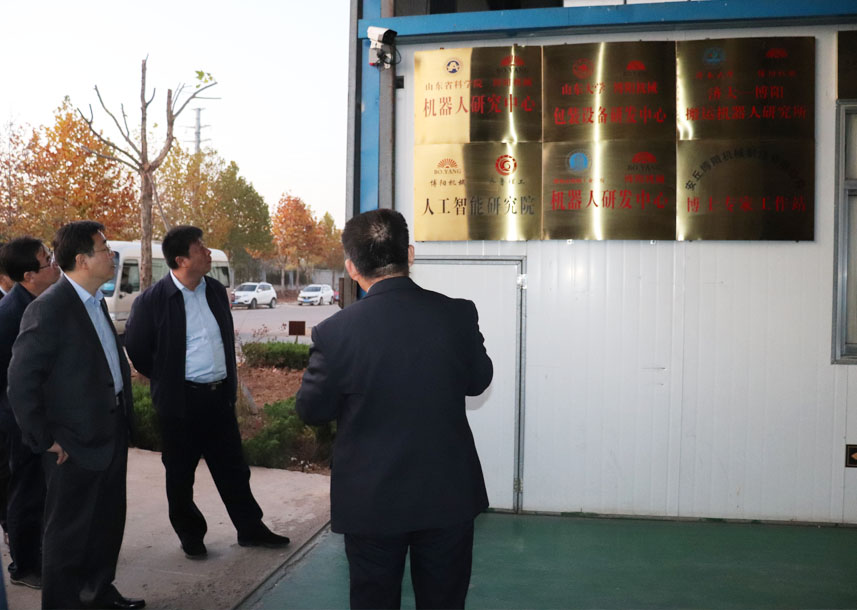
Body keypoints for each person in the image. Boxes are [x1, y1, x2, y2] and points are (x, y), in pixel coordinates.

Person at [296, 208, 494, 610]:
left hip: (371, 500)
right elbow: (479, 381)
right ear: (410, 254)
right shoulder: (458, 314)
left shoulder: (335, 332)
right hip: (447, 493)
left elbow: (311, 410)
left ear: (352, 267)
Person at [124, 225, 289, 560]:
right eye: (200, 247)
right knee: (180, 474)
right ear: (181, 260)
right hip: (180, 402)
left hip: (218, 398)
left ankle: (250, 528)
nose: (207, 251)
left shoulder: (213, 289)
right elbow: (138, 350)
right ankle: (191, 535)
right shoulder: (152, 301)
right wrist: (170, 378)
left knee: (233, 468)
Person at [7, 221, 144, 610]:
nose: (111, 255)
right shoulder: (49, 308)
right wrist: (44, 439)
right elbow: (21, 381)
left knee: (106, 523)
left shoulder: (95, 300)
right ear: (82, 260)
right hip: (72, 444)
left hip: (110, 430)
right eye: (104, 248)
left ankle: (98, 592)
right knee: (68, 536)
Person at [0, 237, 61, 589]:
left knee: (41, 492)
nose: (54, 264)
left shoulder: (40, 303)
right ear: (28, 276)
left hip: (40, 416)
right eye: (46, 260)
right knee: (26, 493)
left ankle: (40, 554)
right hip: (20, 421)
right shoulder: (11, 314)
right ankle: (24, 566)